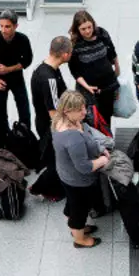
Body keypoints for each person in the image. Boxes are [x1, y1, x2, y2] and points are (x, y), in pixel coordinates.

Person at [52, 90, 108, 247]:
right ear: (67, 110)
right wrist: (102, 160)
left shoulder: (59, 120)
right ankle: (80, 238)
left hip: (66, 174)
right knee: (80, 210)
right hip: (78, 181)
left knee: (72, 203)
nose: (85, 112)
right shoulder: (73, 138)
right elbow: (84, 167)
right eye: (79, 110)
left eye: (84, 107)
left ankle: (75, 227)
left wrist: (98, 148)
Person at [30, 36, 72, 201]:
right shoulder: (50, 79)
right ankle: (40, 187)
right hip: (51, 127)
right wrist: (67, 130)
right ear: (65, 55)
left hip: (44, 123)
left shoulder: (44, 67)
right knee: (58, 162)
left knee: (54, 158)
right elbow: (54, 113)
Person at [67, 10, 120, 123]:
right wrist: (87, 87)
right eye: (83, 29)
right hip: (89, 91)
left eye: (89, 27)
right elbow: (75, 71)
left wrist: (117, 71)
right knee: (91, 119)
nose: (87, 31)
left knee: (106, 117)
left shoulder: (102, 34)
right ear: (77, 29)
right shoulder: (75, 45)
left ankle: (107, 139)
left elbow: (112, 53)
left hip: (107, 86)